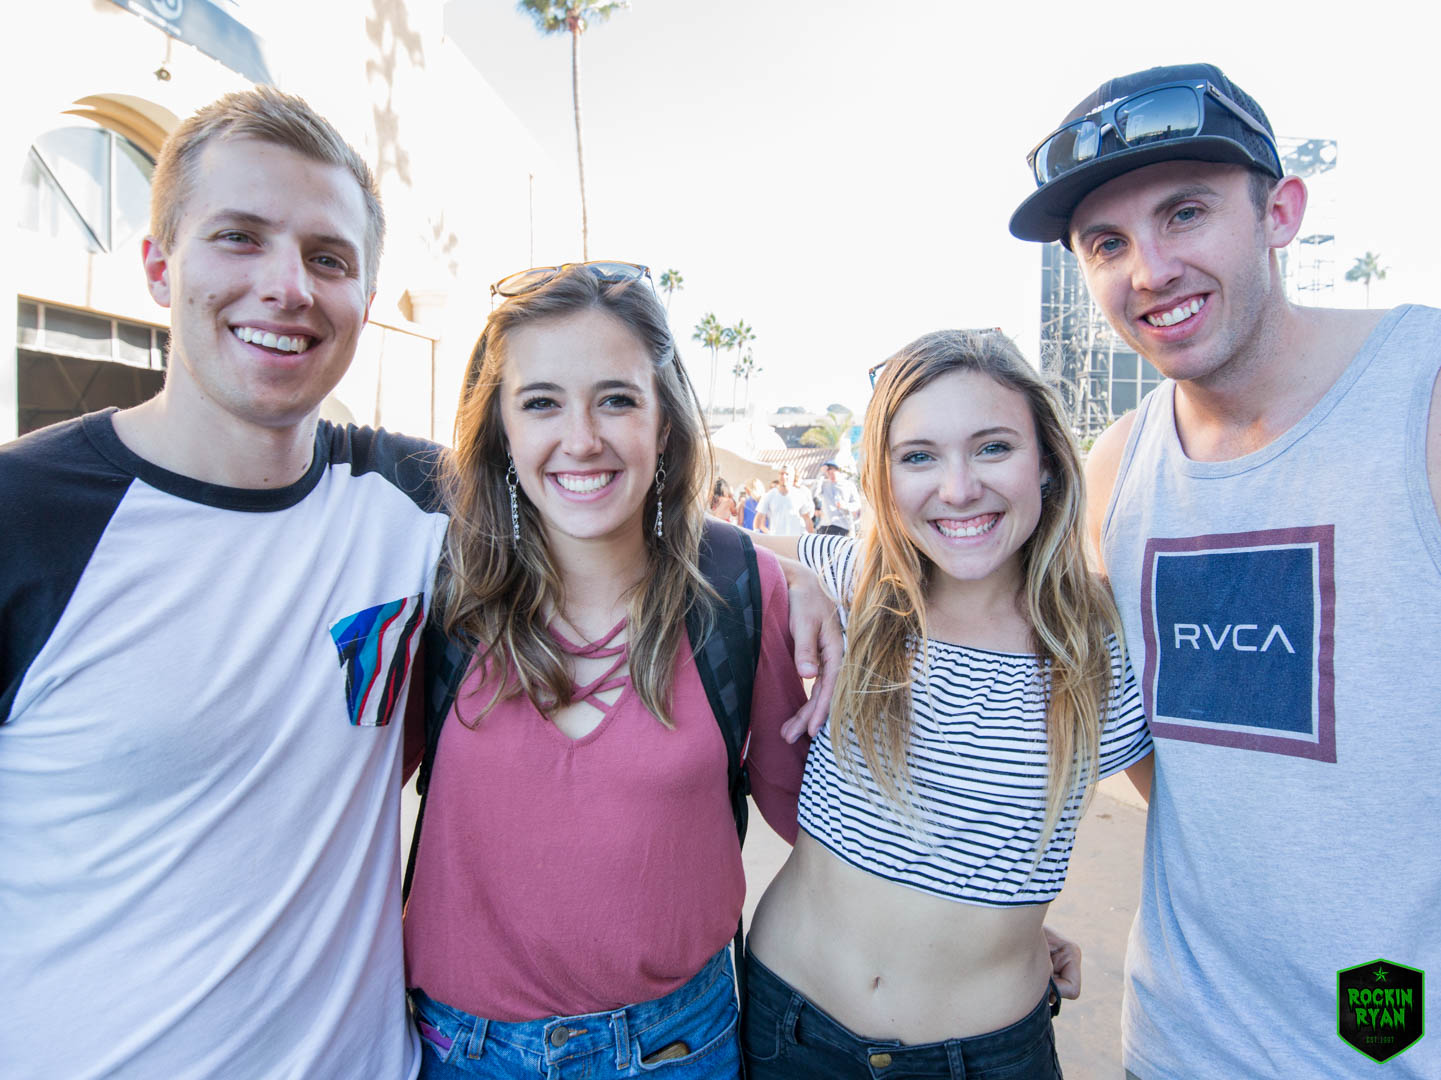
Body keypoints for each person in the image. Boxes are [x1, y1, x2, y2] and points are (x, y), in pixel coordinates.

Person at [1010, 63, 1441, 1079]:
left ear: (1279, 213)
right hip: (1178, 1043)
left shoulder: (1417, 399)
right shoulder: (1116, 469)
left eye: (1185, 213)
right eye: (1106, 243)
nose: (1149, 270)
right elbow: (1140, 737)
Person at [0, 87, 441, 1078]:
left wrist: (777, 577)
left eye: (328, 258)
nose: (288, 287)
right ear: (161, 267)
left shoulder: (414, 501)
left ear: (365, 299)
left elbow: (612, 504)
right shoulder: (21, 516)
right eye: (239, 237)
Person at [402, 263, 811, 1079]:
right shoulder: (432, 587)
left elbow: (821, 826)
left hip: (678, 1048)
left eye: (617, 400)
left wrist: (975, 924)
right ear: (501, 431)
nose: (582, 438)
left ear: (664, 425)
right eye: (540, 402)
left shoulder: (742, 589)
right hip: (461, 1053)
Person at [742, 329, 1153, 1079]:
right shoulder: (858, 585)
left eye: (993, 448)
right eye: (919, 456)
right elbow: (684, 539)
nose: (958, 488)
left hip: (982, 1055)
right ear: (884, 477)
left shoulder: (1106, 644)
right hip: (788, 1027)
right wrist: (795, 578)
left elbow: (1199, 839)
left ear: (1047, 463)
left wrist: (1005, 925)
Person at [755, 464, 813, 536]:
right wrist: (756, 532)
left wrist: (811, 536)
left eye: (787, 474)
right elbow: (759, 516)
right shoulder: (769, 495)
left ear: (792, 476)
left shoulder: (800, 495)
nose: (783, 476)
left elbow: (807, 518)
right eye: (781, 473)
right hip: (776, 538)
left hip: (795, 538)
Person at [816, 459, 862, 535]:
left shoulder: (849, 485)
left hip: (843, 526)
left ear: (838, 470)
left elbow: (857, 504)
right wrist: (821, 473)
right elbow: (814, 493)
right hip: (825, 525)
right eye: (828, 473)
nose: (830, 475)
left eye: (832, 472)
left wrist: (845, 506)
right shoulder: (824, 484)